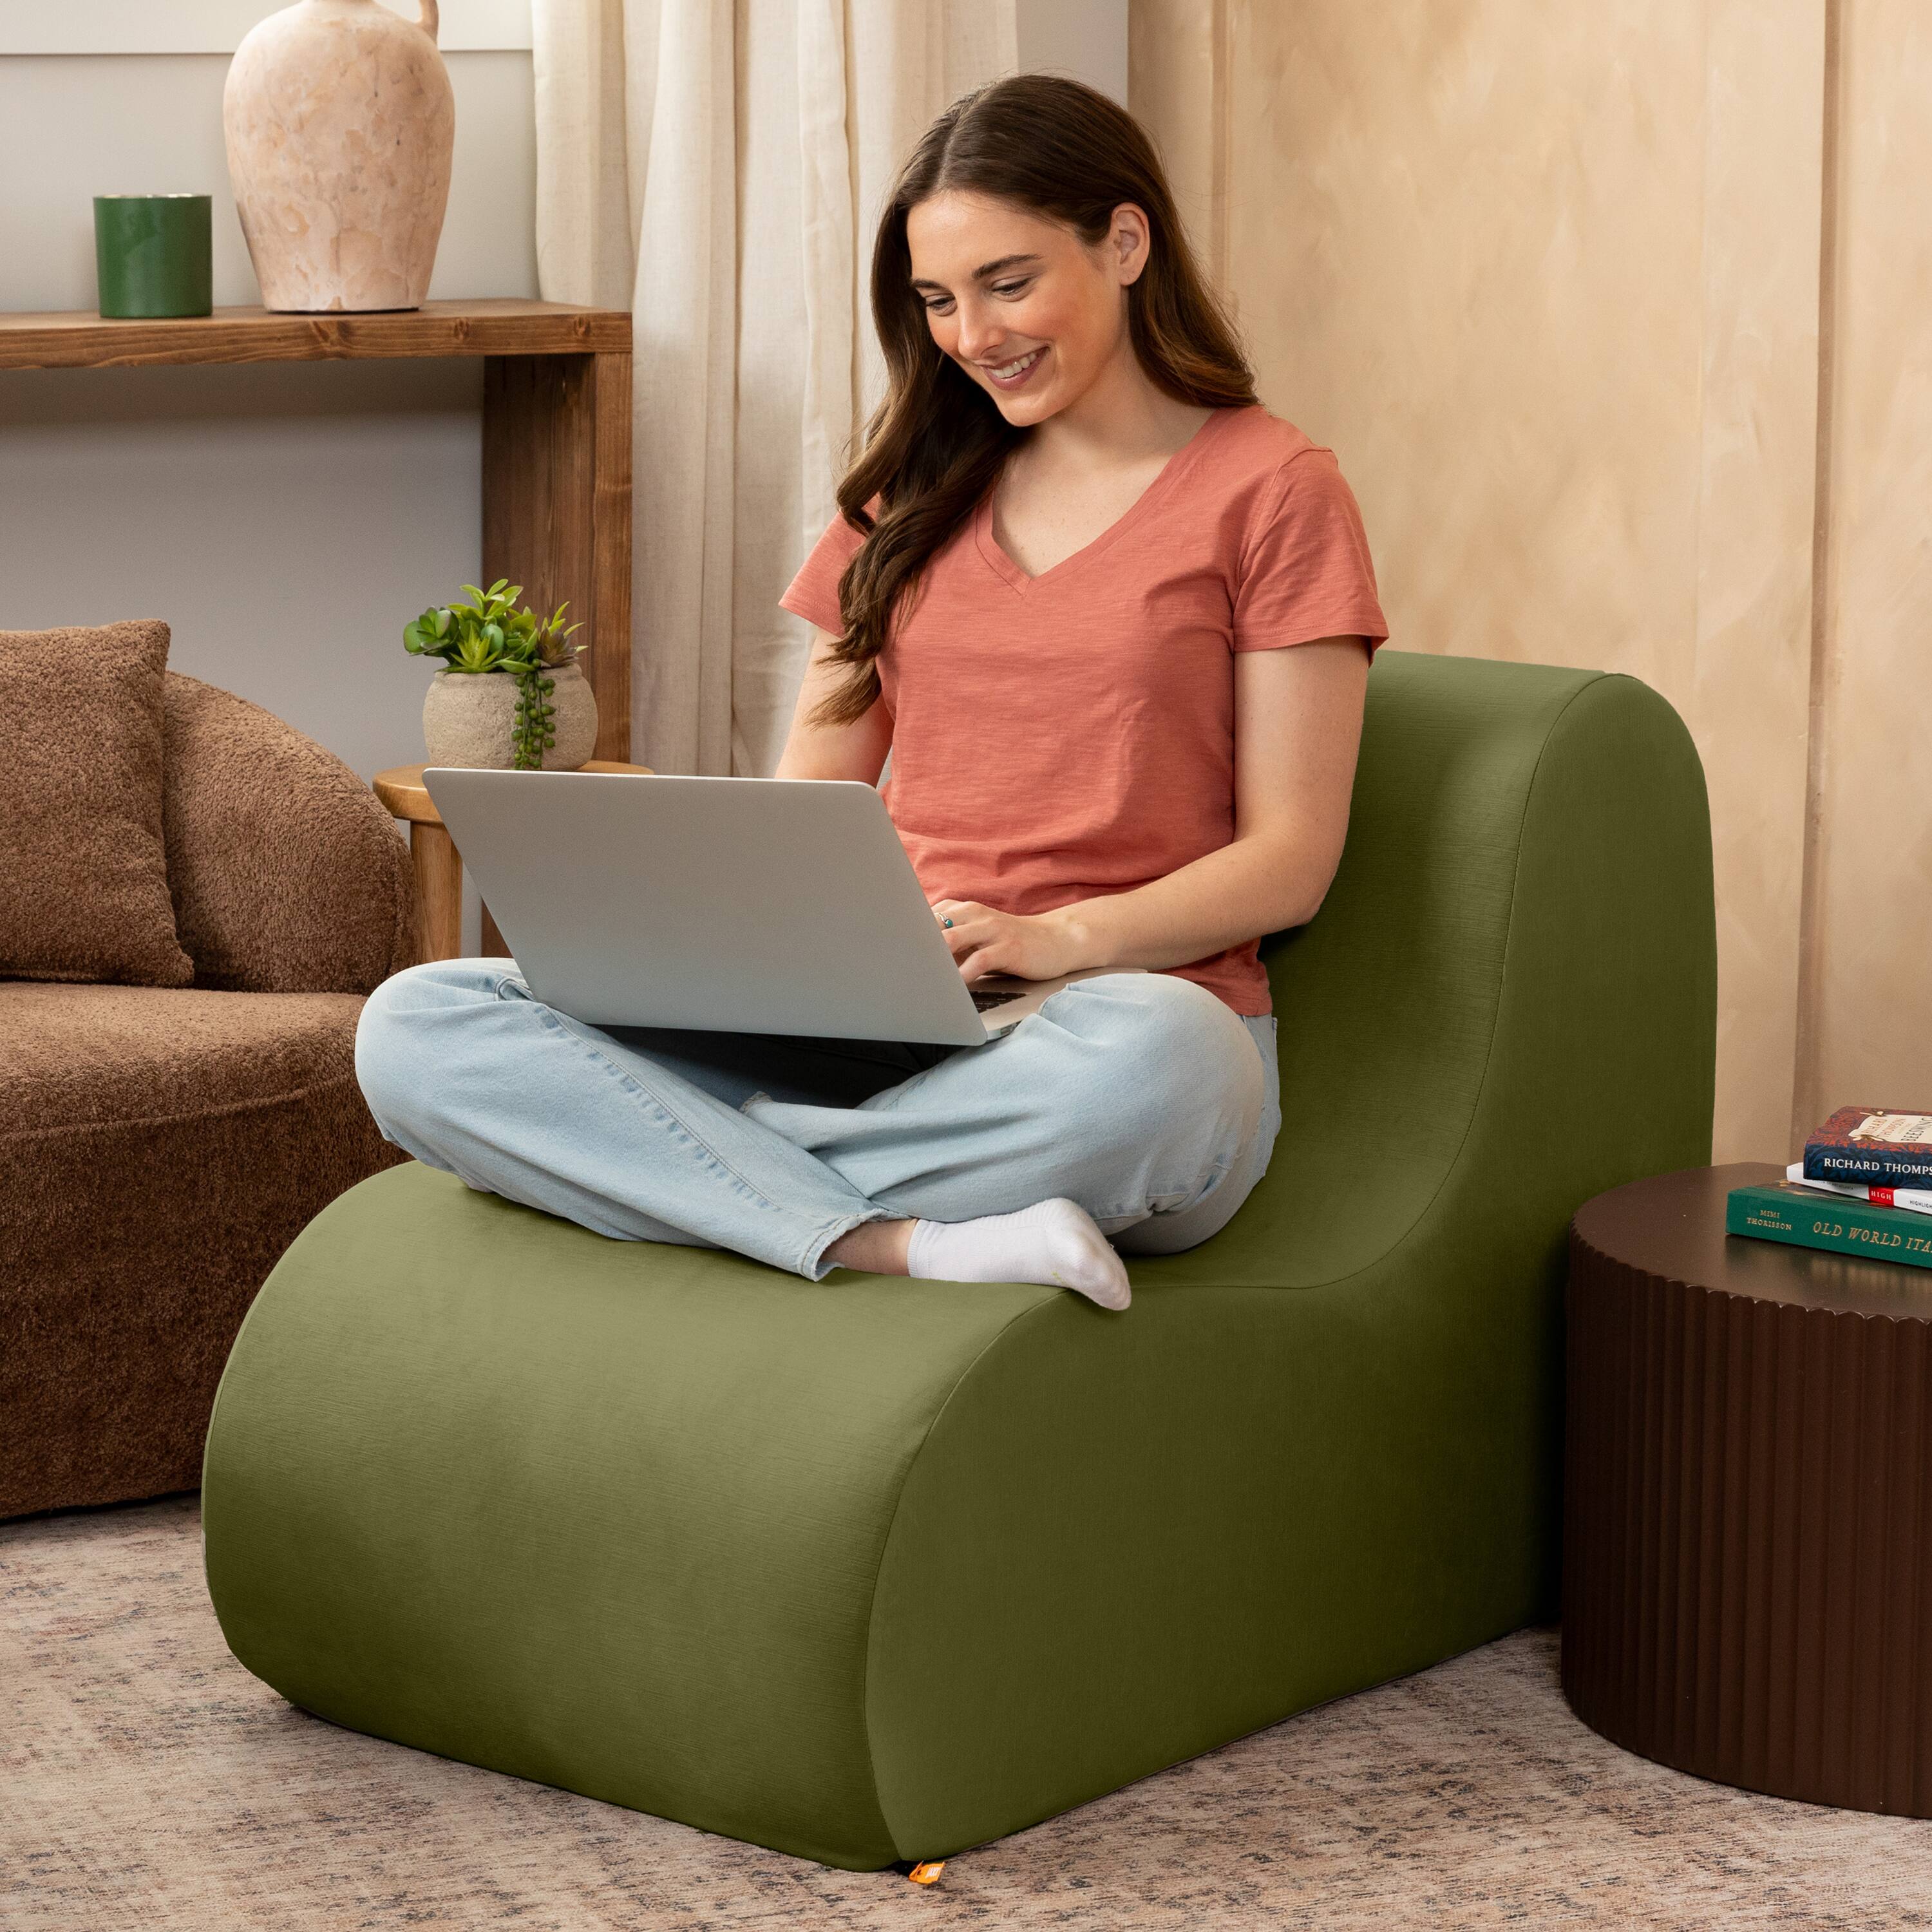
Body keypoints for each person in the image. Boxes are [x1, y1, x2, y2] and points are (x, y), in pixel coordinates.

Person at [355, 74, 1388, 1313]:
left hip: (1097, 1031)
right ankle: (904, 1241)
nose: (972, 335)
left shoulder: (1275, 490)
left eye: (1009, 283)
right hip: (870, 1018)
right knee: (417, 1025)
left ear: (1125, 241)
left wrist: (1058, 940)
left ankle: (696, 1174)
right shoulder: (905, 499)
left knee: (1180, 1069)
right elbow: (807, 811)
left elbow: (1291, 860)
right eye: (938, 300)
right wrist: (745, 960)